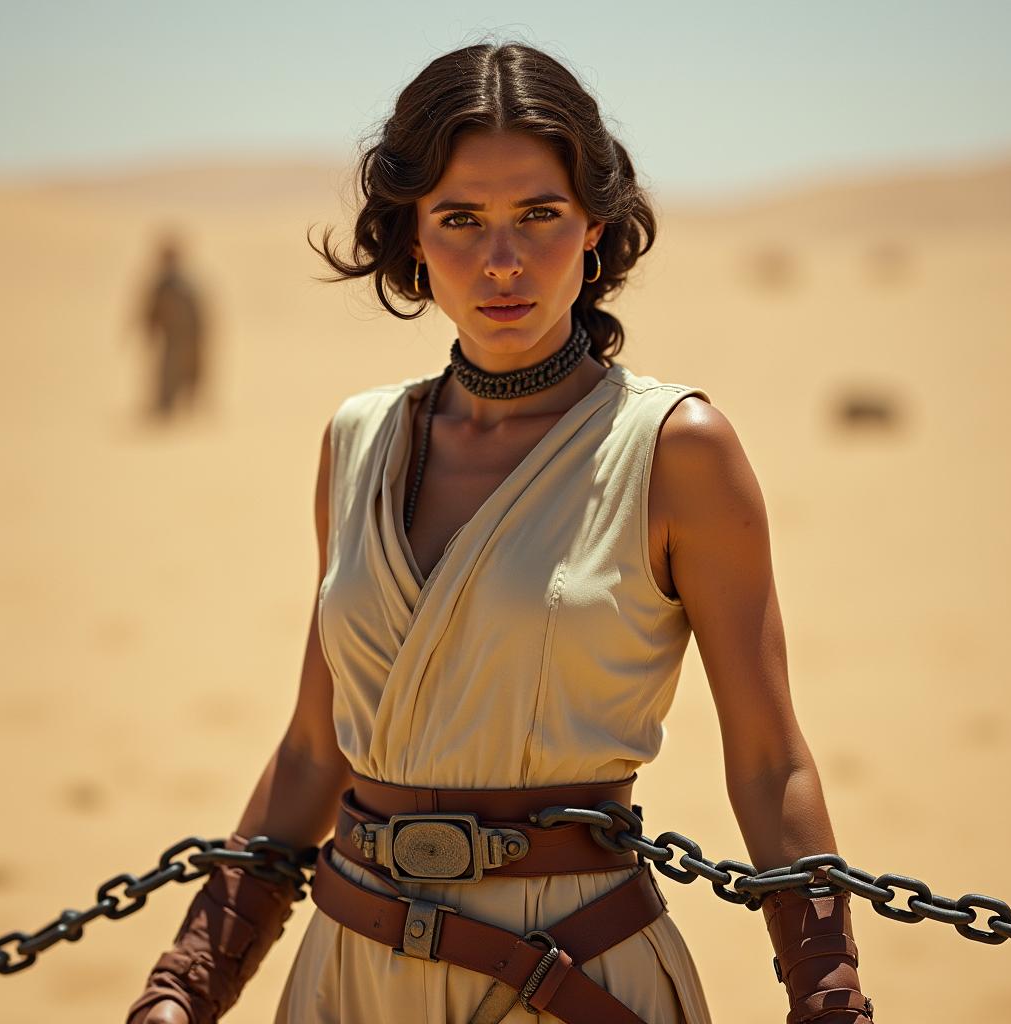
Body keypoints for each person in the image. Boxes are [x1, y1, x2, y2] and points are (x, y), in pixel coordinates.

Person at [126, 40, 874, 1024]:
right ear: (411, 237)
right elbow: (316, 748)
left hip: (573, 972)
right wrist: (187, 981)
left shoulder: (675, 448)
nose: (502, 260)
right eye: (460, 220)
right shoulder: (359, 440)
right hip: (345, 972)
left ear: (595, 227)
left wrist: (830, 997)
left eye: (538, 215)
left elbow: (769, 758)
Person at [139, 236, 207, 419]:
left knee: (192, 374)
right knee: (169, 372)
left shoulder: (188, 283)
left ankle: (187, 409)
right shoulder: (163, 284)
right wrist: (149, 329)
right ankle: (165, 409)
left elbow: (200, 311)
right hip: (172, 338)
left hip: (189, 337)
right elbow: (151, 309)